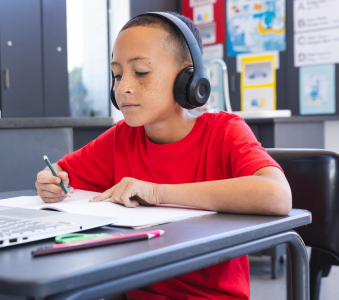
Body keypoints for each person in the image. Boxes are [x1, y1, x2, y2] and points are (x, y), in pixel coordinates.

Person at [35, 11, 291, 300]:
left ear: (189, 78)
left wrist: (156, 192)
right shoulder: (121, 138)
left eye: (141, 72)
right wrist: (50, 181)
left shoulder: (223, 131)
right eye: (117, 75)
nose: (123, 87)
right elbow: (60, 172)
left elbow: (277, 196)